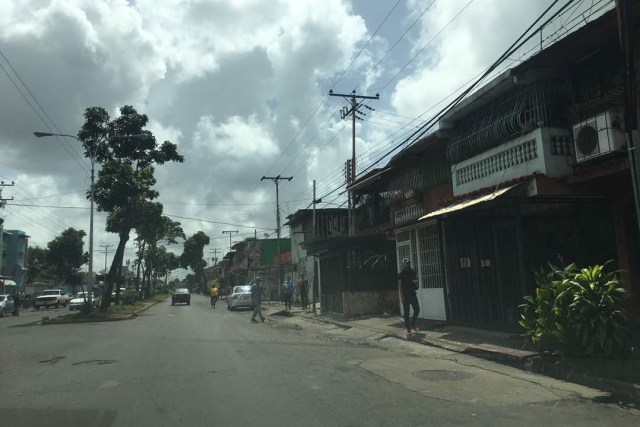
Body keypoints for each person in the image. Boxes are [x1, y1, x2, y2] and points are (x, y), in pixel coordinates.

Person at [398, 257, 419, 334]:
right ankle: (408, 328)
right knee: (406, 313)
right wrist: (401, 297)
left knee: (417, 309)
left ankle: (412, 323)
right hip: (405, 295)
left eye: (409, 263)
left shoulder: (412, 272)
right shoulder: (401, 274)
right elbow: (400, 286)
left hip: (412, 294)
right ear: (403, 264)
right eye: (406, 263)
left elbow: (415, 281)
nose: (408, 264)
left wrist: (415, 283)